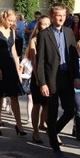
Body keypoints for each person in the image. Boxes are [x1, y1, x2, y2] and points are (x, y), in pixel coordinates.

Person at [36, 3, 80, 158]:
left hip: (67, 77)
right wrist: (42, 83)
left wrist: (77, 77)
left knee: (70, 110)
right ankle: (55, 147)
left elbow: (74, 57)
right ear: (51, 16)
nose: (61, 17)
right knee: (53, 111)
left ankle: (52, 131)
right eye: (58, 15)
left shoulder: (69, 32)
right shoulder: (44, 34)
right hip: (51, 79)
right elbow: (40, 61)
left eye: (64, 15)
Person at [0, 10, 26, 136]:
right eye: (10, 20)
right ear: (4, 18)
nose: (12, 23)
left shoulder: (12, 31)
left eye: (14, 21)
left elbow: (13, 50)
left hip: (10, 66)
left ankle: (19, 125)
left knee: (14, 96)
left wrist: (18, 67)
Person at [26, 15, 51, 144]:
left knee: (47, 106)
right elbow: (35, 62)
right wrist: (39, 79)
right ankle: (35, 131)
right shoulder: (34, 41)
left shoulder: (52, 39)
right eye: (43, 24)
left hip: (50, 77)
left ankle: (48, 128)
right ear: (38, 26)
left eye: (48, 24)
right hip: (38, 78)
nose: (46, 26)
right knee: (37, 105)